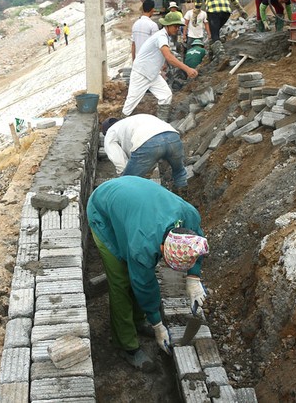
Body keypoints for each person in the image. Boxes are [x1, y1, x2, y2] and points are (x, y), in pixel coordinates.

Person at [87, 176, 209, 371]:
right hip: (103, 213)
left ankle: (138, 320)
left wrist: (194, 278)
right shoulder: (142, 244)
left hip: (133, 200)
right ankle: (127, 345)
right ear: (162, 247)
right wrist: (158, 324)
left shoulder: (189, 215)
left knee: (138, 270)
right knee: (122, 281)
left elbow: (199, 243)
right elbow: (143, 283)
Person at [123, 12, 198, 121]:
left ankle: (161, 124)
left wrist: (162, 64)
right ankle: (118, 127)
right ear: (167, 25)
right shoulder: (161, 36)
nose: (177, 29)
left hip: (152, 74)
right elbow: (169, 56)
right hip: (141, 73)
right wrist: (187, 69)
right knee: (130, 105)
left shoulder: (164, 36)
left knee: (165, 95)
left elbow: (162, 54)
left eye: (178, 26)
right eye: (175, 26)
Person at [101, 114, 187, 188]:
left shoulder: (110, 132)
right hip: (172, 136)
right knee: (179, 172)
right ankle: (182, 196)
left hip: (148, 142)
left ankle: (131, 205)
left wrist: (123, 175)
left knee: (128, 183)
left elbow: (118, 159)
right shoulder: (131, 121)